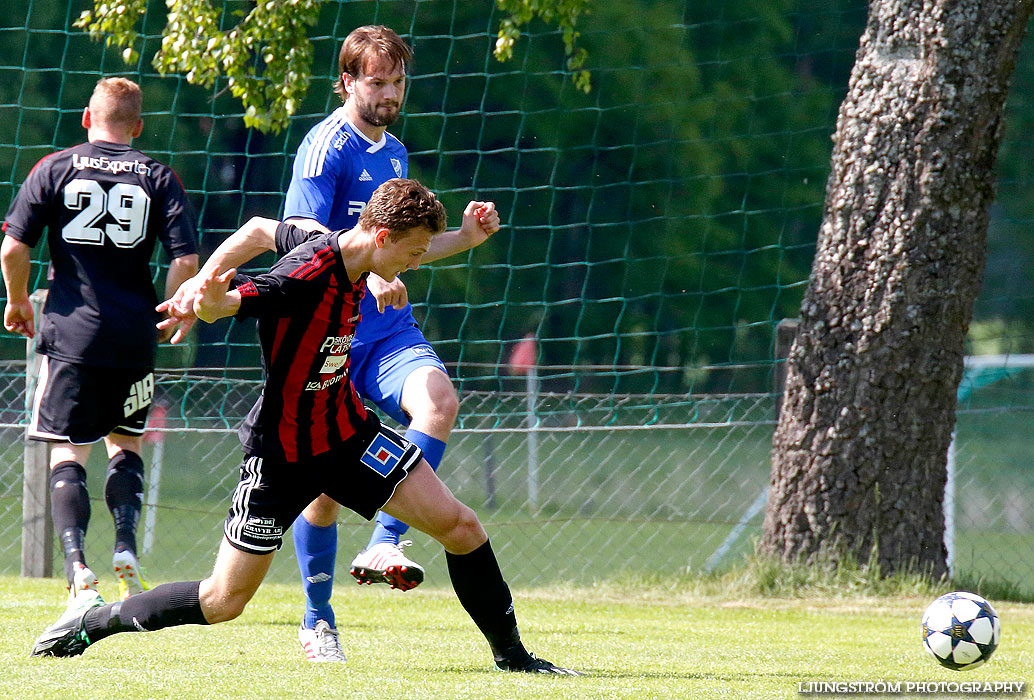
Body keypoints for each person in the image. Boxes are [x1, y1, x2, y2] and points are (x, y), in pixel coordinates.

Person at [29, 178, 580, 676]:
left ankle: (515, 658)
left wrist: (201, 276)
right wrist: (208, 296)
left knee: (460, 527)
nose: (415, 264)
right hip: (282, 457)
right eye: (412, 253)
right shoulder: (301, 278)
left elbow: (258, 228)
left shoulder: (339, 244)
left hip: (348, 436)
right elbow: (238, 301)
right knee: (224, 601)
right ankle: (94, 622)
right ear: (382, 235)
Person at [280, 25, 502, 661]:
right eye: (378, 81)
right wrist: (368, 276)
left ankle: (384, 539)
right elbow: (300, 238)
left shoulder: (395, 153)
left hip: (386, 330)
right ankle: (316, 619)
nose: (391, 93)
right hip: (332, 333)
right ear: (347, 81)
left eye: (398, 81)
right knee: (322, 491)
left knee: (438, 401)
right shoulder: (325, 148)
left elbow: (400, 244)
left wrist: (461, 239)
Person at [1, 77, 199, 602]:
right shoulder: (159, 177)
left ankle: (77, 569)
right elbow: (185, 261)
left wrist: (18, 300)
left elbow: (12, 247)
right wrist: (172, 310)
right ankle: (127, 548)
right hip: (134, 337)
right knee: (125, 442)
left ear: (88, 118)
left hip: (71, 335)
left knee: (69, 452)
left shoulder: (55, 167)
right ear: (138, 126)